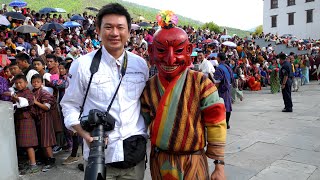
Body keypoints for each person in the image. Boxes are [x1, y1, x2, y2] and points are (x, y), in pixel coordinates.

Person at [60, 3, 148, 179]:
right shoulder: (82, 65)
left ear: (129, 32)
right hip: (100, 158)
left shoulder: (140, 64)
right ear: (98, 30)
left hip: (134, 157)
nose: (115, 33)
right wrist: (83, 132)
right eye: (108, 27)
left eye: (120, 27)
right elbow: (69, 105)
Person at [141, 10, 226, 180]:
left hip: (193, 162)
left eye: (178, 50)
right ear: (151, 51)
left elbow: (216, 122)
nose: (170, 60)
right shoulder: (149, 87)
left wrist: (219, 166)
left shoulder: (201, 82)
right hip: (159, 161)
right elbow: (139, 125)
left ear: (189, 50)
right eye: (161, 51)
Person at [31, 74, 57, 171]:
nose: (35, 83)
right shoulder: (33, 92)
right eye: (34, 82)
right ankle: (45, 159)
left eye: (38, 82)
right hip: (38, 119)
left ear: (42, 83)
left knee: (46, 141)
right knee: (41, 141)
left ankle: (51, 160)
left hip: (45, 118)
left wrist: (36, 102)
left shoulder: (44, 93)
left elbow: (47, 107)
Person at [214, 52, 234, 129]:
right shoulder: (227, 66)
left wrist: (214, 90)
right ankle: (227, 123)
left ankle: (222, 123)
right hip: (228, 88)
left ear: (218, 58)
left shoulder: (219, 68)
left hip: (222, 89)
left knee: (220, 106)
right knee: (228, 105)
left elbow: (218, 81)